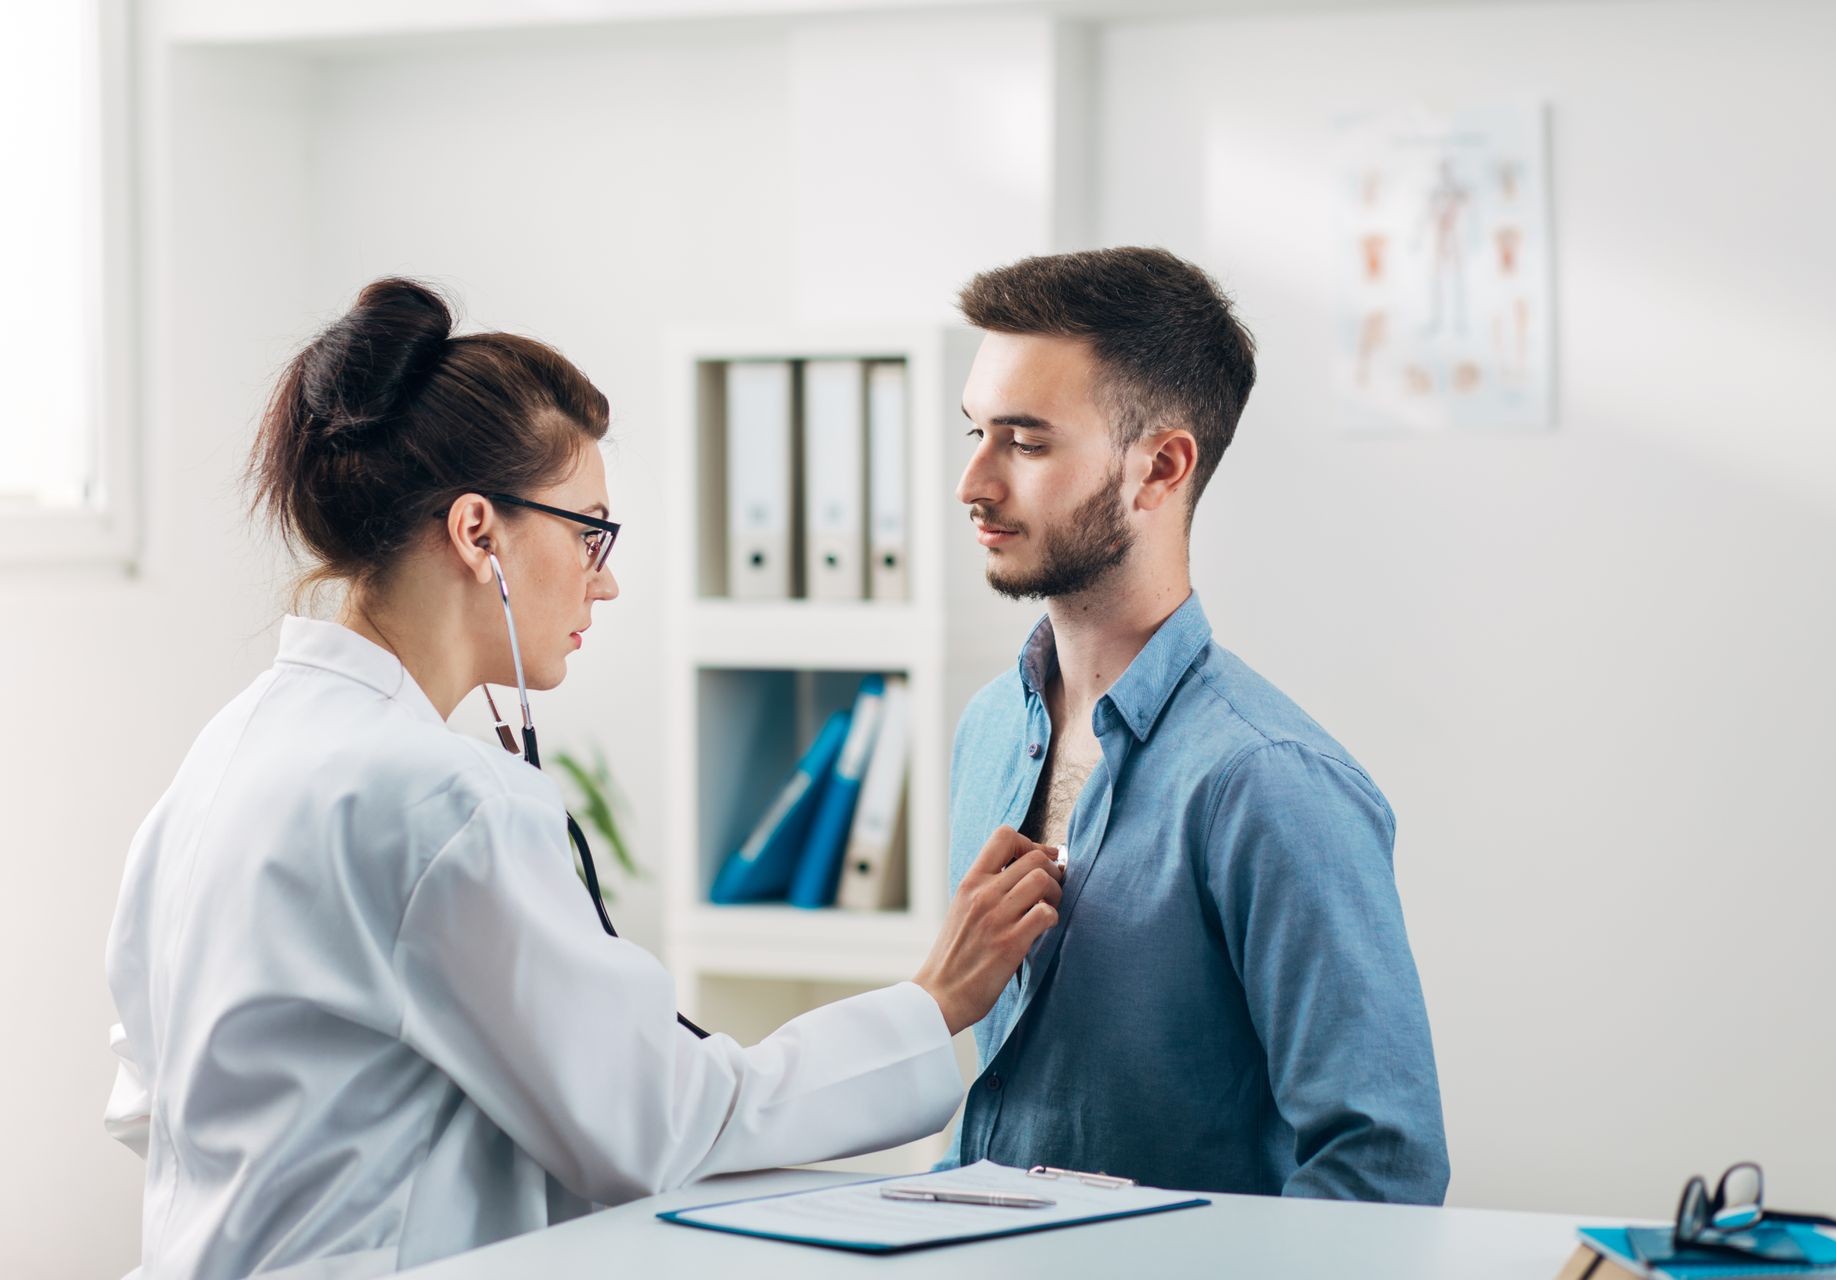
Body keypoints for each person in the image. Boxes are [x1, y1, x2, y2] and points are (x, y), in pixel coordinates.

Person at [103, 278, 1063, 1277]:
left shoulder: (229, 750)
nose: (604, 577)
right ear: (479, 533)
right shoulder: (437, 798)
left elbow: (145, 1095)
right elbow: (666, 1122)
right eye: (587, 529)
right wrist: (934, 1000)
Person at [942, 247, 1449, 1201]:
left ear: (1161, 468)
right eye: (972, 432)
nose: (973, 483)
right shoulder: (987, 734)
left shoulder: (1272, 782)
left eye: (1027, 442)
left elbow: (1380, 1171)